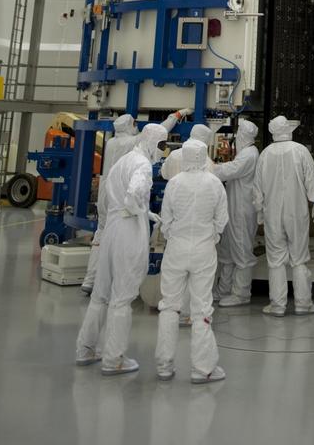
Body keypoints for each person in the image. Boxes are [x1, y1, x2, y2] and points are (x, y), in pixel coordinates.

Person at [76, 122, 168, 374]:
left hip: (111, 228)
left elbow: (107, 199)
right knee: (123, 296)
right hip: (128, 230)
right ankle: (114, 358)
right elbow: (133, 194)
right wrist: (139, 211)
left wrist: (144, 212)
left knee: (101, 293)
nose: (162, 150)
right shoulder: (142, 164)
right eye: (161, 144)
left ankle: (86, 348)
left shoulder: (122, 161)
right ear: (151, 141)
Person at [82, 109, 186, 296]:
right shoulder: (132, 143)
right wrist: (177, 115)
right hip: (122, 193)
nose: (136, 126)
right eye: (134, 124)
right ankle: (120, 285)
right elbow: (158, 132)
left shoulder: (111, 142)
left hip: (107, 191)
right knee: (123, 239)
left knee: (101, 233)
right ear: (128, 126)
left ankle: (90, 281)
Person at [155, 139, 229, 383]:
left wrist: (174, 237)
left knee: (169, 306)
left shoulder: (174, 183)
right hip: (204, 250)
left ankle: (164, 365)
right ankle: (203, 369)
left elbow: (166, 220)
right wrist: (211, 236)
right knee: (201, 309)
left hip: (176, 248)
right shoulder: (214, 183)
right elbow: (222, 220)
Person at [253, 116, 314, 316]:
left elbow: (257, 186)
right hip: (297, 212)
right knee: (299, 257)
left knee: (276, 259)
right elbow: (311, 178)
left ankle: (277, 305)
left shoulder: (265, 154)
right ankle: (303, 304)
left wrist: (259, 209)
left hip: (272, 213)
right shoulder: (300, 151)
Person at [214, 119, 260, 307]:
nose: (236, 136)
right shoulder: (245, 153)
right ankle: (223, 290)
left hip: (242, 210)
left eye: (239, 133)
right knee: (227, 251)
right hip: (233, 209)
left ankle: (241, 294)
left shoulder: (249, 154)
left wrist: (208, 167)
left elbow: (229, 171)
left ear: (244, 135)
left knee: (241, 250)